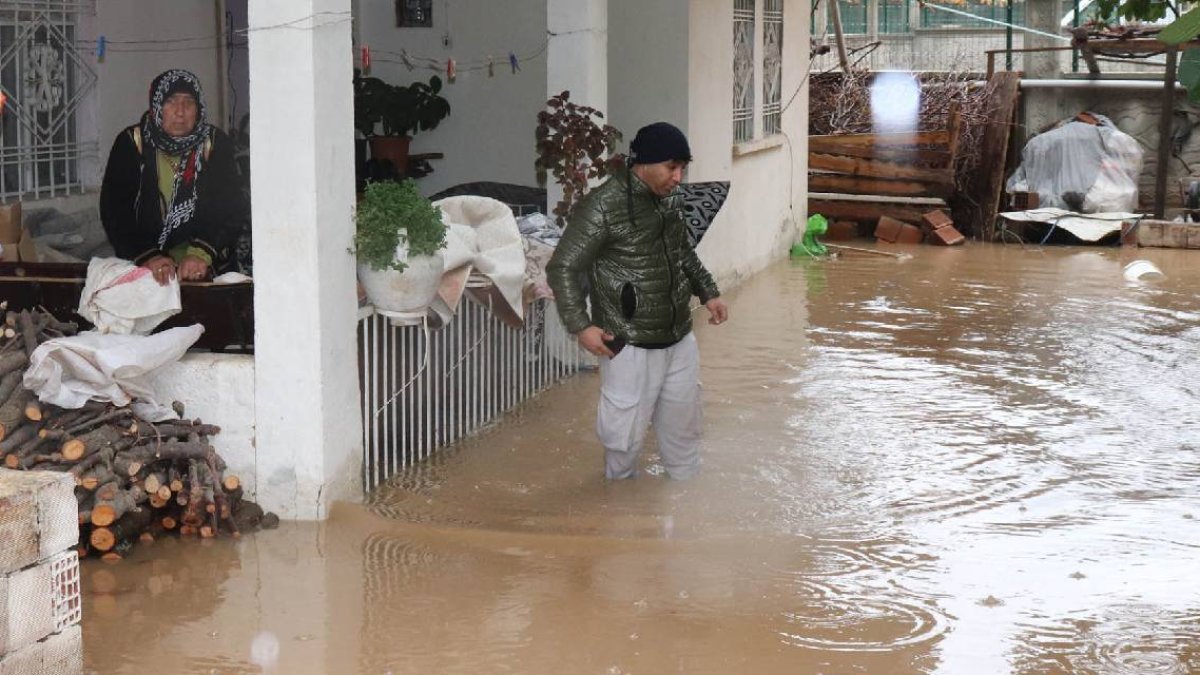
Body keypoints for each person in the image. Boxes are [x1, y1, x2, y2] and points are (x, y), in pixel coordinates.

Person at [547, 121, 729, 480]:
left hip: (679, 337)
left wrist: (709, 292)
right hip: (626, 342)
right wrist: (580, 326)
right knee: (623, 441)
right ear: (642, 163)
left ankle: (682, 517)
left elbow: (682, 252)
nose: (678, 177)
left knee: (684, 434)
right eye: (672, 167)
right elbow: (563, 267)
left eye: (683, 168)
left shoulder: (672, 200)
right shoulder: (601, 206)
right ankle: (618, 518)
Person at [100, 69, 248, 285]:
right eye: (171, 101)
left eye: (189, 102)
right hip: (148, 265)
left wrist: (201, 253)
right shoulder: (132, 144)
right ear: (157, 105)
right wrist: (148, 256)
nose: (180, 112)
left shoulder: (214, 144)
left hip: (205, 264)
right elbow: (115, 211)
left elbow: (230, 206)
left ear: (198, 109)